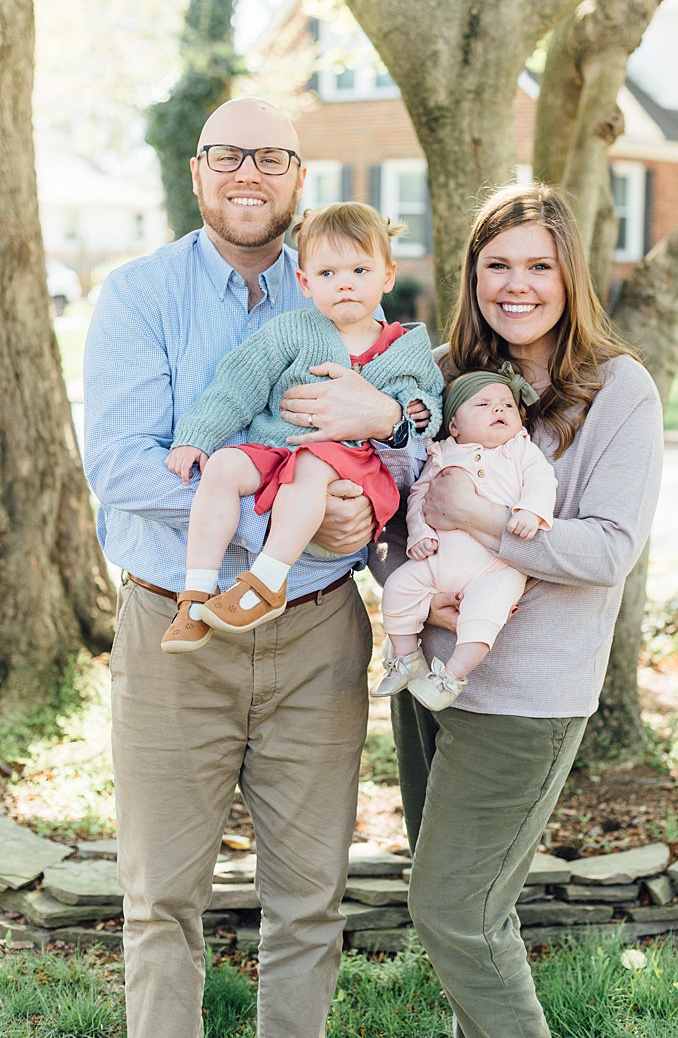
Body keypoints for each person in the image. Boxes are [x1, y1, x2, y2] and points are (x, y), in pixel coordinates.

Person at [83, 97, 421, 1037]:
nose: (249, 174)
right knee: (160, 902)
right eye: (227, 155)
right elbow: (119, 465)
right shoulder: (140, 294)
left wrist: (363, 499)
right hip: (174, 626)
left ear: (299, 180)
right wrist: (283, 526)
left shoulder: (340, 288)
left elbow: (396, 435)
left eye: (272, 158)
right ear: (196, 171)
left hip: (315, 633)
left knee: (310, 903)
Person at [371, 182, 663, 1037]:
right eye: (496, 264)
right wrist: (404, 563)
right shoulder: (432, 373)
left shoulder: (619, 390)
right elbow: (389, 512)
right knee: (474, 915)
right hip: (428, 673)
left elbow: (611, 547)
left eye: (538, 265)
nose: (517, 284)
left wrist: (483, 520)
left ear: (570, 274)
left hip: (528, 695)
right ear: (471, 274)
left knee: (451, 910)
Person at [161, 202, 443, 652]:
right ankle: (195, 594)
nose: (345, 282)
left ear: (387, 276)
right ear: (305, 283)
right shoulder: (290, 332)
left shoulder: (406, 347)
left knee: (313, 462)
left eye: (359, 269)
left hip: (352, 467)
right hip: (281, 452)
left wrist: (416, 409)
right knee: (225, 466)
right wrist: (197, 436)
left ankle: (268, 580)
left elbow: (426, 401)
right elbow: (237, 384)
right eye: (328, 273)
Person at [376, 366, 556, 710]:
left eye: (507, 405)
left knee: (482, 618)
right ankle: (405, 656)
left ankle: (450, 678)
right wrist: (421, 533)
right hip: (439, 560)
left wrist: (531, 511)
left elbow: (542, 481)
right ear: (454, 425)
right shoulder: (442, 453)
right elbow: (419, 496)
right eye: (483, 404)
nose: (499, 410)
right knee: (398, 589)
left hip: (495, 567)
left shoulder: (520, 451)